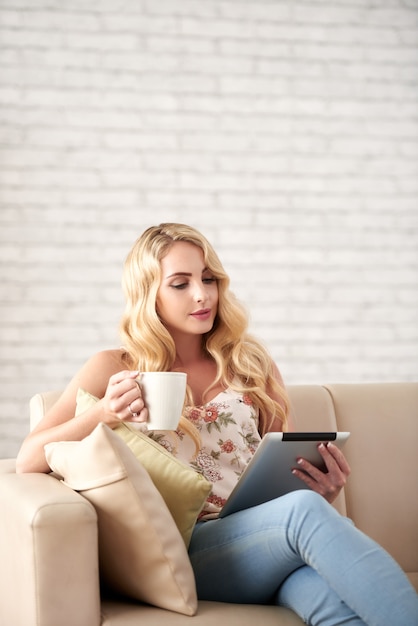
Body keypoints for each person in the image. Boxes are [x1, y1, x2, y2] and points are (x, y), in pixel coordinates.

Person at [17, 223, 417, 625]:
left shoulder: (252, 364)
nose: (202, 294)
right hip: (186, 551)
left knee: (329, 601)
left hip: (264, 538)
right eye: (180, 283)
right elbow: (29, 459)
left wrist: (319, 487)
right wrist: (103, 412)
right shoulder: (112, 367)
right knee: (301, 511)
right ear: (148, 293)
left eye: (209, 279)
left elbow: (283, 466)